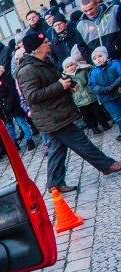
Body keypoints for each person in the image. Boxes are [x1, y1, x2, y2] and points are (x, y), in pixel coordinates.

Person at [16, 32, 121, 192]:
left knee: (57, 149)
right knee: (81, 141)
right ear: (36, 49)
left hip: (55, 113)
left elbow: (56, 78)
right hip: (53, 117)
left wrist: (69, 83)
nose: (49, 43)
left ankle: (55, 184)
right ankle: (106, 165)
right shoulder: (27, 70)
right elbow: (32, 96)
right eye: (45, 42)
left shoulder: (43, 62)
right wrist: (60, 86)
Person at [0, 60, 36, 150]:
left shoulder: (5, 77)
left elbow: (12, 91)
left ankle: (29, 139)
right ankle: (13, 142)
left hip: (12, 105)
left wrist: (9, 104)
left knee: (21, 122)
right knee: (9, 126)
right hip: (3, 108)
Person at [63, 56, 113, 134]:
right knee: (87, 116)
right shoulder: (66, 78)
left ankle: (104, 124)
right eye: (68, 67)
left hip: (90, 96)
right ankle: (94, 127)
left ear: (75, 64)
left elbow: (90, 79)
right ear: (65, 69)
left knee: (98, 112)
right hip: (79, 100)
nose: (71, 68)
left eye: (72, 65)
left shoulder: (83, 71)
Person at [87, 46, 121, 140]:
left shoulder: (115, 64)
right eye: (95, 58)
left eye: (100, 56)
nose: (98, 59)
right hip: (106, 98)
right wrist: (102, 89)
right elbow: (91, 87)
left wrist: (113, 85)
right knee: (117, 115)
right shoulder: (93, 72)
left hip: (119, 92)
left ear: (106, 55)